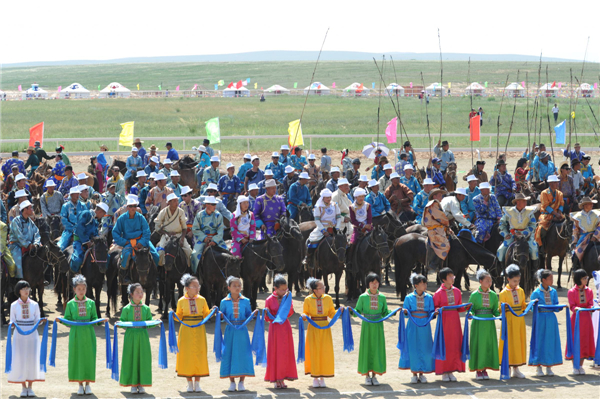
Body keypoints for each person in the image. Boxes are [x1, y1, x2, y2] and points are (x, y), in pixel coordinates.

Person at [64, 275, 106, 395]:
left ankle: (88, 384)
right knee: (77, 357)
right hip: (76, 334)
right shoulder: (70, 304)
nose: (81, 291)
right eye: (79, 289)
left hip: (88, 334)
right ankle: (79, 384)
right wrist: (61, 321)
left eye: (83, 289)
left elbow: (94, 319)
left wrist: (101, 321)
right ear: (74, 290)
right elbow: (67, 319)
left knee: (88, 357)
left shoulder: (91, 303)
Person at [176, 274, 216, 392]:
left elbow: (206, 315)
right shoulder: (181, 301)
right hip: (186, 331)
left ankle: (197, 383)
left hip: (199, 330)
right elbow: (178, 316)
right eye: (194, 286)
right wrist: (173, 314)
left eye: (198, 285)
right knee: (187, 355)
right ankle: (189, 383)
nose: (197, 288)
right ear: (187, 288)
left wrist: (212, 312)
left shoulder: (202, 300)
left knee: (199, 354)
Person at [7, 280, 45, 397]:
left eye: (28, 289)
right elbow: (12, 320)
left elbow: (36, 320)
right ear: (19, 291)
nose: (26, 291)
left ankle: (31, 386)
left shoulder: (34, 304)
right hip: (19, 335)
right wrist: (11, 324)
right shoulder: (13, 305)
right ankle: (23, 386)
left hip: (32, 334)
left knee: (32, 358)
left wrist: (41, 321)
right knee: (20, 358)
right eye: (24, 289)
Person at [303, 277, 342, 388]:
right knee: (314, 351)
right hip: (313, 328)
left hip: (325, 327)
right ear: (315, 290)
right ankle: (315, 377)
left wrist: (339, 311)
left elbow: (331, 313)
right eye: (321, 287)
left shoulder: (328, 298)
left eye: (323, 286)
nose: (324, 288)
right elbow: (305, 313)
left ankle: (322, 377)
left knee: (325, 351)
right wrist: (304, 316)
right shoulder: (308, 300)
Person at [352, 273, 391, 385]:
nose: (374, 285)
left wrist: (393, 313)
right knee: (367, 348)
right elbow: (358, 311)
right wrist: (351, 311)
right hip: (367, 326)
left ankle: (374, 375)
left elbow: (385, 312)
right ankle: (367, 376)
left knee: (377, 348)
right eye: (372, 282)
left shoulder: (382, 297)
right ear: (368, 284)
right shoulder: (362, 297)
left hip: (378, 326)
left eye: (376, 282)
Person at [220, 276, 257, 392]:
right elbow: (222, 317)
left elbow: (248, 315)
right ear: (228, 288)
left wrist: (253, 314)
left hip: (242, 331)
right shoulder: (224, 302)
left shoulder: (246, 301)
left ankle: (241, 382)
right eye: (234, 285)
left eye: (239, 285)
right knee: (229, 353)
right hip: (230, 331)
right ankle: (231, 382)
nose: (237, 288)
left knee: (243, 354)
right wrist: (220, 315)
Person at [112, 195, 160, 281]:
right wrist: (124, 242)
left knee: (156, 255)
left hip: (142, 240)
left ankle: (154, 274)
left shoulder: (141, 217)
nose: (133, 208)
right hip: (128, 242)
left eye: (134, 206)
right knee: (126, 256)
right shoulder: (121, 219)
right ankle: (124, 275)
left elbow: (147, 232)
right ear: (127, 207)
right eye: (130, 206)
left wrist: (142, 242)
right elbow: (115, 232)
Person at [400, 273, 435, 383]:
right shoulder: (408, 297)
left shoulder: (429, 297)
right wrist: (405, 311)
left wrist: (435, 313)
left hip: (425, 325)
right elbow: (405, 312)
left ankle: (422, 373)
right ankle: (414, 373)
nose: (425, 285)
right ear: (415, 285)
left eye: (425, 283)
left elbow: (431, 312)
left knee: (425, 347)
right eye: (422, 283)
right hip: (412, 325)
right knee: (413, 348)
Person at [119, 283, 154, 393]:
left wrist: (156, 323)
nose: (140, 294)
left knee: (143, 358)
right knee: (131, 358)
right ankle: (133, 384)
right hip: (130, 336)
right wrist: (119, 323)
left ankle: (142, 383)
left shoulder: (146, 309)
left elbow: (150, 322)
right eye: (137, 292)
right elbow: (122, 322)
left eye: (141, 292)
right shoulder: (126, 309)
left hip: (143, 336)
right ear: (131, 294)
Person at [433, 268, 467, 382]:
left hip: (455, 322)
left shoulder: (457, 291)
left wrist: (468, 307)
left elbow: (460, 308)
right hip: (444, 322)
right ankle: (444, 371)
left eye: (453, 276)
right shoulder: (438, 293)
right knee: (444, 344)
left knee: (454, 345)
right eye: (450, 276)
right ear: (443, 279)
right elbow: (434, 307)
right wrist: (437, 310)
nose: (453, 278)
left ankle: (452, 370)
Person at [264, 275, 297, 388]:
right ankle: (276, 379)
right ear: (275, 288)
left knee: (285, 352)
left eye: (285, 289)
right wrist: (267, 313)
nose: (284, 291)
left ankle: (283, 378)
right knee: (275, 352)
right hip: (275, 328)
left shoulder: (287, 298)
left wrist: (284, 313)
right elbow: (267, 318)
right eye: (282, 289)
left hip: (285, 327)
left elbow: (291, 312)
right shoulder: (269, 300)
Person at [529, 269, 561, 376]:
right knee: (540, 340)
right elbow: (532, 308)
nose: (552, 281)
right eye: (550, 279)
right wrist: (538, 307)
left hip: (551, 319)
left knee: (550, 341)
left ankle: (549, 366)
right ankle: (538, 367)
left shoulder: (553, 291)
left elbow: (556, 304)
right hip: (541, 319)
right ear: (543, 280)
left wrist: (558, 307)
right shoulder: (536, 293)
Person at [469, 270, 500, 380]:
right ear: (480, 281)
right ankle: (478, 369)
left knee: (488, 345)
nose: (489, 283)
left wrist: (500, 315)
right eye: (487, 281)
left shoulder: (493, 295)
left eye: (490, 280)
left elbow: (495, 310)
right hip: (478, 323)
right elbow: (470, 308)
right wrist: (471, 313)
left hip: (489, 324)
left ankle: (485, 369)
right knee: (478, 345)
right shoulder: (474, 295)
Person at [498, 265, 527, 379]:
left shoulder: (521, 291)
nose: (516, 283)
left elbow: (523, 305)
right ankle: (507, 367)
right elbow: (500, 309)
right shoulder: (503, 293)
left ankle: (516, 368)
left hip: (519, 320)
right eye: (514, 281)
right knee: (508, 343)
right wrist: (503, 307)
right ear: (508, 279)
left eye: (518, 281)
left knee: (518, 343)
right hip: (509, 321)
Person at [497, 193, 539, 267]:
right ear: (518, 202)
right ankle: (503, 269)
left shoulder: (529, 212)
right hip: (512, 235)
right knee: (501, 250)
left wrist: (523, 233)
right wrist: (506, 234)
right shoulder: (509, 212)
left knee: (534, 249)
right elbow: (501, 224)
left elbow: (533, 225)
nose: (526, 202)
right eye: (524, 201)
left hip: (527, 235)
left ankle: (533, 271)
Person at [303, 189, 342, 270]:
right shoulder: (319, 207)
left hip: (334, 227)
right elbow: (317, 220)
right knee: (312, 240)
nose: (329, 199)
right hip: (322, 228)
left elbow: (338, 217)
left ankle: (344, 260)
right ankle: (309, 258)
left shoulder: (335, 205)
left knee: (344, 241)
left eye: (330, 197)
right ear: (323, 198)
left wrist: (337, 228)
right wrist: (323, 231)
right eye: (327, 197)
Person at [566, 269, 596, 375]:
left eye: (587, 278)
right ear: (579, 279)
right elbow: (572, 306)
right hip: (577, 319)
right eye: (584, 278)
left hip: (587, 319)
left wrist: (592, 307)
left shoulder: (589, 291)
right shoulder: (571, 292)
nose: (587, 280)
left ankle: (581, 365)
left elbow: (590, 304)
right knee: (576, 340)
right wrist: (576, 308)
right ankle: (575, 365)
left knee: (585, 341)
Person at [191, 196, 227, 273]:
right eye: (213, 204)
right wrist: (204, 238)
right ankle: (195, 274)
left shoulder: (218, 215)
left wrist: (215, 240)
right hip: (203, 239)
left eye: (215, 204)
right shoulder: (199, 215)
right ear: (207, 205)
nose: (215, 206)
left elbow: (221, 230)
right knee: (194, 254)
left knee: (227, 253)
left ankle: (226, 275)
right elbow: (195, 229)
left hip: (216, 239)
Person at [155, 193, 191, 269]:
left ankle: (190, 270)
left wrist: (182, 239)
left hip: (179, 235)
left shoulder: (180, 211)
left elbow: (184, 228)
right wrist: (167, 233)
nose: (176, 203)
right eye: (174, 201)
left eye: (177, 201)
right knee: (160, 252)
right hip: (166, 236)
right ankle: (160, 272)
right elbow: (157, 228)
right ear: (169, 202)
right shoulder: (163, 212)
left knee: (188, 251)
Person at [70, 203, 108, 273]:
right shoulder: (86, 214)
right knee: (77, 260)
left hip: (91, 242)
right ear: (100, 211)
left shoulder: (95, 221)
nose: (103, 216)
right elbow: (80, 228)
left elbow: (95, 234)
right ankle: (73, 275)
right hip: (79, 241)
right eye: (103, 214)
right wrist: (87, 241)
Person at [9, 201, 41, 279]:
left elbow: (37, 232)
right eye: (30, 208)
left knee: (43, 256)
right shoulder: (16, 221)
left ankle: (42, 278)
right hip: (16, 245)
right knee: (18, 263)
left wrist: (36, 244)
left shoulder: (30, 221)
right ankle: (17, 280)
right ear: (25, 210)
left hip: (31, 245)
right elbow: (19, 236)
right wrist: (29, 245)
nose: (32, 210)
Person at [535, 175, 564, 253]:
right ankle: (540, 246)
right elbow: (546, 206)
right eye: (555, 183)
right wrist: (555, 214)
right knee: (541, 229)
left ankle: (566, 246)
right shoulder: (544, 193)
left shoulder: (560, 193)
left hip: (558, 214)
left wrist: (559, 213)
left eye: (557, 182)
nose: (557, 184)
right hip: (546, 215)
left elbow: (561, 204)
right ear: (551, 184)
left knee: (567, 225)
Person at [422, 189, 449, 270]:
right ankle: (434, 263)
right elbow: (440, 217)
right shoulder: (434, 203)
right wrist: (447, 224)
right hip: (434, 230)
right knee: (446, 245)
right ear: (435, 196)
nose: (441, 197)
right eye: (440, 195)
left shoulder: (433, 204)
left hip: (438, 228)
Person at [571, 196, 600, 269]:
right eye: (590, 204)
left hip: (597, 236)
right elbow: (575, 230)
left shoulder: (597, 214)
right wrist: (574, 241)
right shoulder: (578, 217)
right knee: (577, 253)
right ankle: (576, 268)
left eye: (592, 204)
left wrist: (595, 236)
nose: (592, 205)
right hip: (584, 238)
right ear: (585, 205)